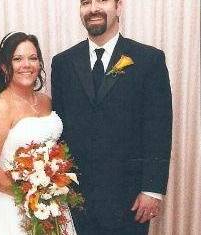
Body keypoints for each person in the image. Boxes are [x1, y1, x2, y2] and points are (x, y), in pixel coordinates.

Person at [51, 0, 172, 234]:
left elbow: (159, 127)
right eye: (86, 2)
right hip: (77, 198)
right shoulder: (63, 62)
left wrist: (152, 189)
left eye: (102, 1)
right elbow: (60, 129)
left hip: (130, 197)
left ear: (119, 6)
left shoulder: (149, 60)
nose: (93, 8)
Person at [0, 32, 77, 235]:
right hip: (12, 204)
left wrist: (48, 193)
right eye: (17, 59)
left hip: (51, 202)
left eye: (33, 58)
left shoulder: (46, 101)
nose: (26, 64)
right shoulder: (0, 107)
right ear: (4, 66)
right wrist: (31, 194)